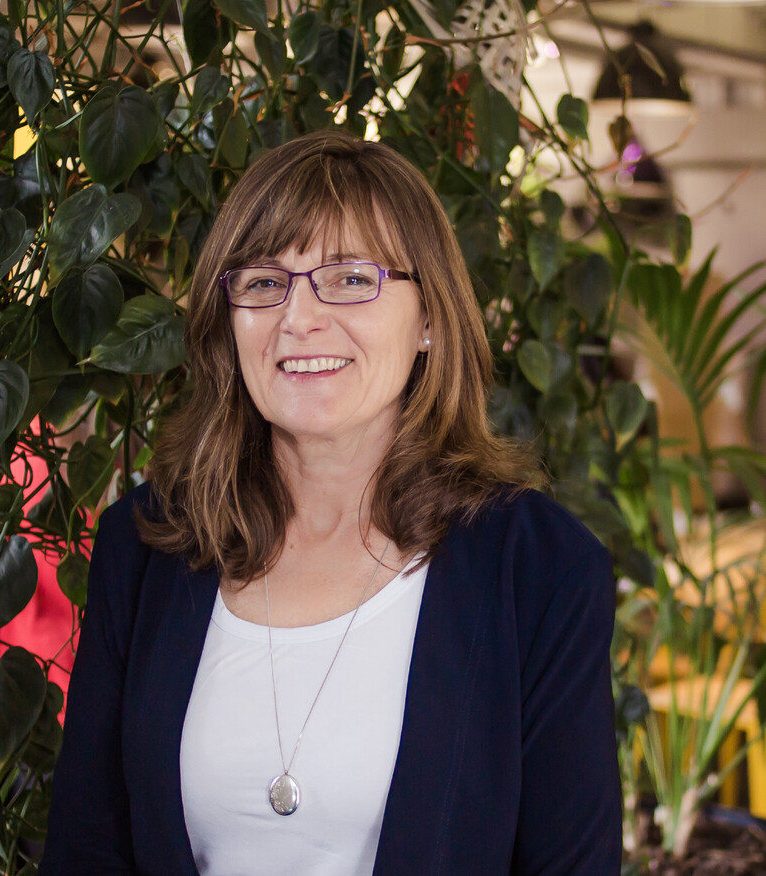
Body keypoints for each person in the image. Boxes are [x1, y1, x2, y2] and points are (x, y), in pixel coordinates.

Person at [41, 131, 621, 875]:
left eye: (350, 279)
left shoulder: (541, 571)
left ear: (432, 318)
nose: (299, 317)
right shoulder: (149, 542)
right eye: (263, 283)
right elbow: (87, 851)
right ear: (229, 320)